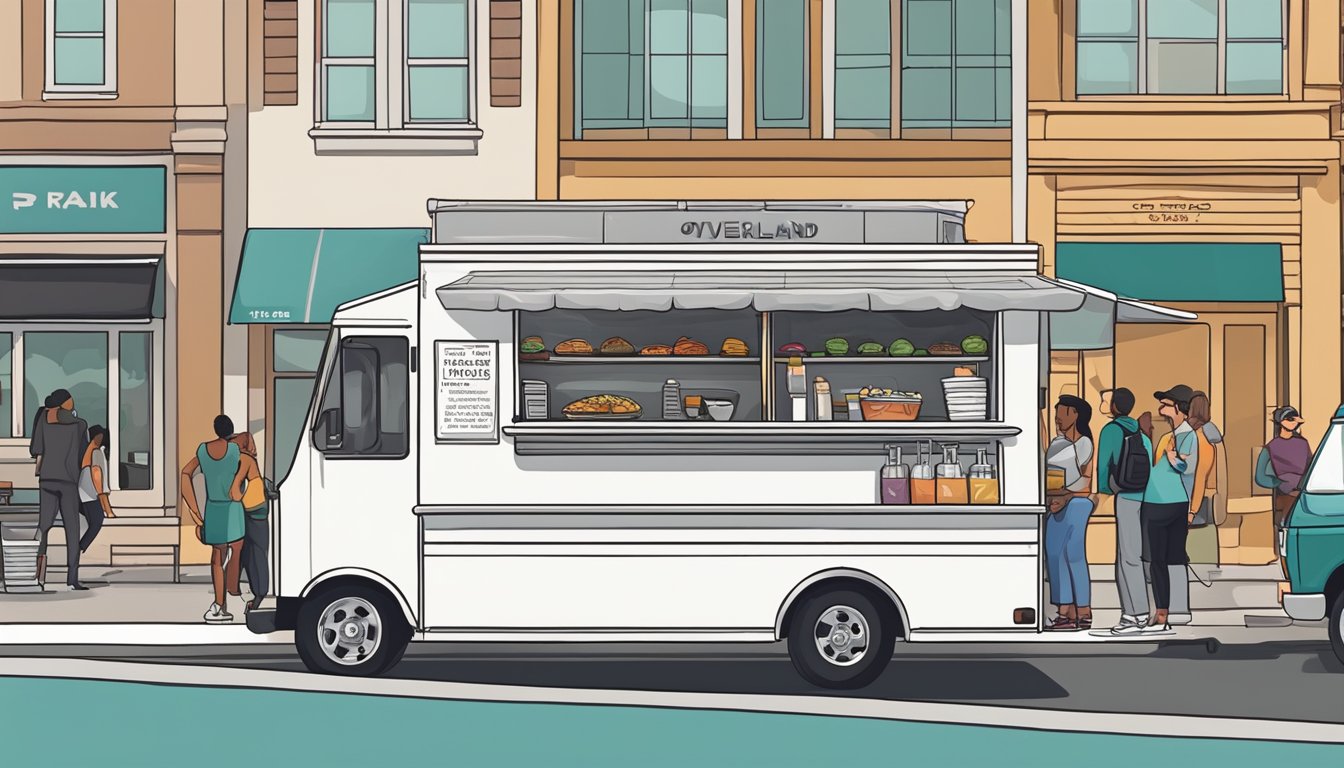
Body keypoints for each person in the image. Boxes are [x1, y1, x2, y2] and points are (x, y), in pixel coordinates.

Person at [1096, 387, 1154, 635]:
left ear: (1115, 407)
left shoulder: (1111, 430)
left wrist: (1101, 492)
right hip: (1145, 497)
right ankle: (1133, 612)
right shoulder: (1143, 434)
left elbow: (1103, 464)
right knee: (1136, 554)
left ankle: (1136, 615)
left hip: (1126, 497)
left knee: (1127, 557)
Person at [1142, 385, 1199, 634]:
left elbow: (1187, 468)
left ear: (1180, 408)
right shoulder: (1173, 434)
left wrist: (1171, 454)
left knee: (1164, 558)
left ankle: (1169, 610)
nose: (1161, 409)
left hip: (1167, 503)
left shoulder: (1187, 436)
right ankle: (1163, 610)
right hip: (1160, 501)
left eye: (1166, 405)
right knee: (1162, 559)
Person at [181, 415, 247, 623]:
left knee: (217, 559)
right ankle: (235, 593)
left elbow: (185, 473)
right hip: (233, 508)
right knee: (237, 550)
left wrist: (194, 510)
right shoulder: (236, 451)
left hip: (213, 509)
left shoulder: (202, 450)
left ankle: (219, 604)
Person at [1044, 394, 1096, 631]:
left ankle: (1083, 610)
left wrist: (1065, 494)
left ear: (1075, 414)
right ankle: (1064, 609)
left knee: (1073, 555)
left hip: (1076, 503)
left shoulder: (1084, 443)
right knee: (1054, 555)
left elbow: (1086, 481)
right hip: (1054, 502)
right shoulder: (1057, 442)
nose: (1057, 417)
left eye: (1062, 412)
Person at [29, 389, 90, 591]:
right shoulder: (80, 425)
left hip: (47, 479)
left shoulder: (42, 419)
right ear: (66, 403)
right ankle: (72, 578)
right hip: (68, 481)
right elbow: (83, 456)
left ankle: (37, 576)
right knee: (72, 530)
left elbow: (35, 449)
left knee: (43, 527)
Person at [229, 432, 270, 613]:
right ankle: (257, 593)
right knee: (255, 551)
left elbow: (234, 492)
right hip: (258, 509)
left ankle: (257, 593)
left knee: (252, 553)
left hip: (250, 510)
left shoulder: (243, 459)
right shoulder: (249, 459)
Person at [1256, 405, 1313, 527]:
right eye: (1290, 419)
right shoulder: (1271, 447)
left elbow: (1311, 467)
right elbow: (1260, 476)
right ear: (1281, 422)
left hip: (1303, 486)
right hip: (1284, 488)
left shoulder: (1303, 443)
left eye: (1295, 419)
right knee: (1291, 504)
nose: (1294, 423)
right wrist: (1279, 483)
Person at [77, 425, 116, 556]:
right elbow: (97, 477)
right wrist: (108, 510)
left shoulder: (86, 452)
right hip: (90, 494)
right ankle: (79, 548)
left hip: (82, 493)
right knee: (97, 521)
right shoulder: (96, 453)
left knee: (90, 521)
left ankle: (78, 548)